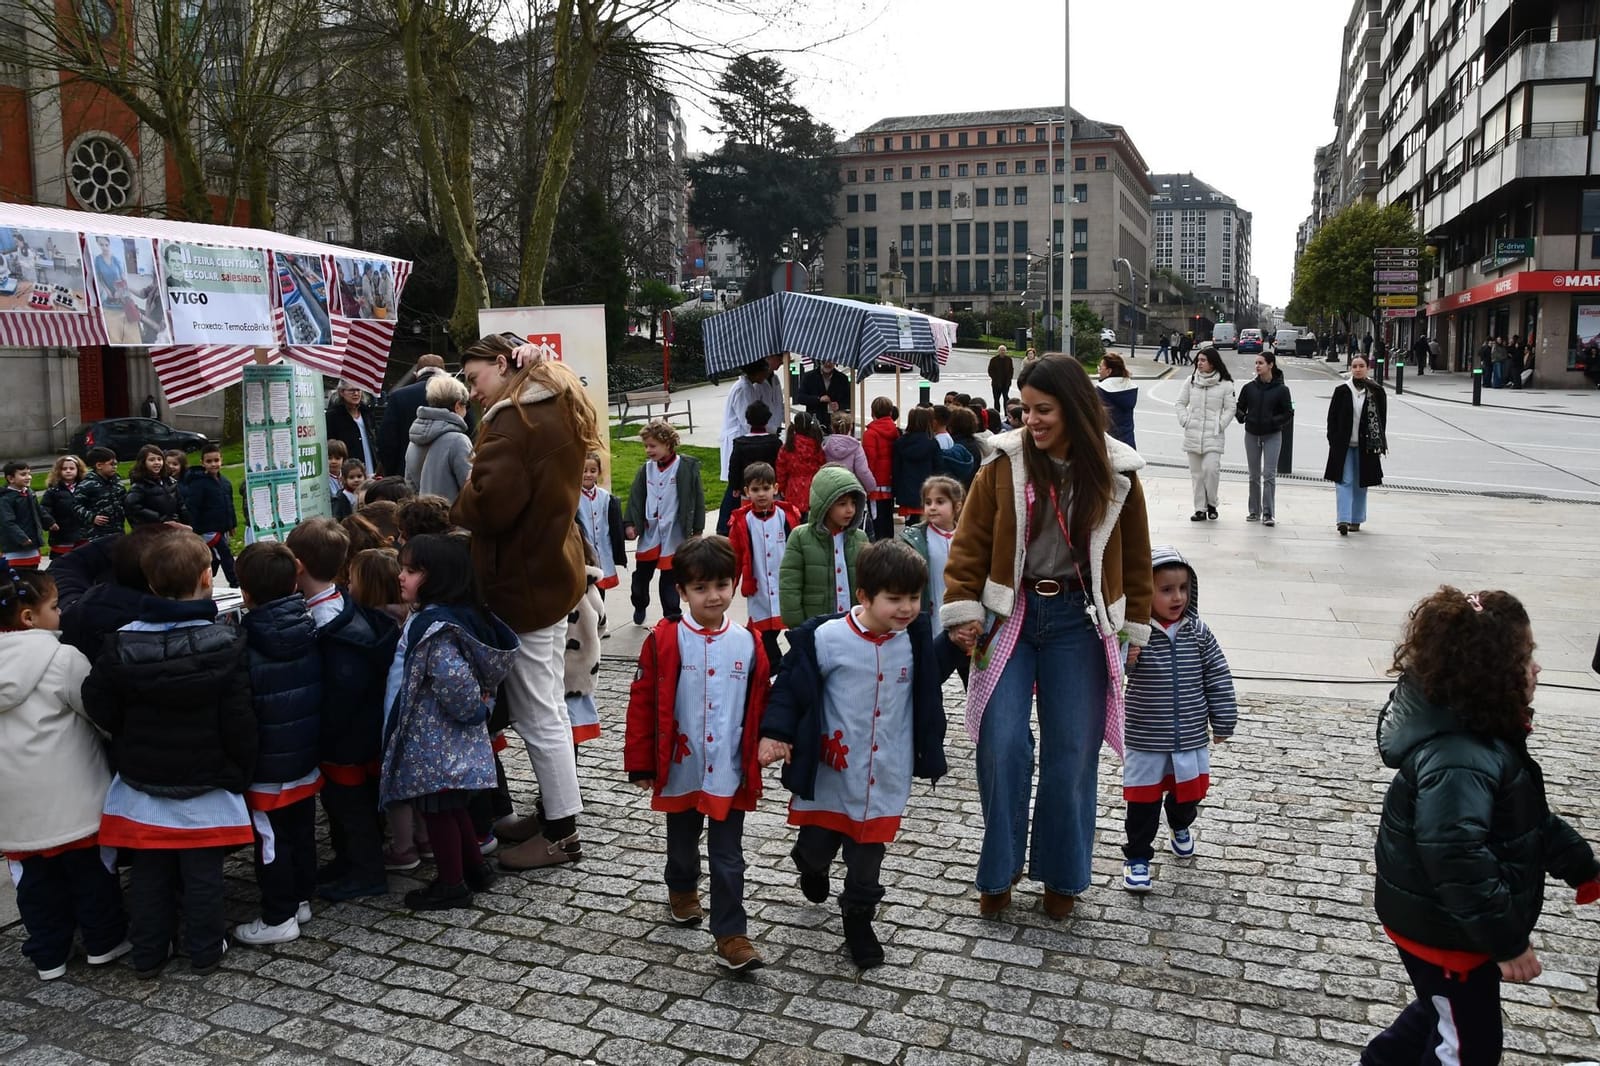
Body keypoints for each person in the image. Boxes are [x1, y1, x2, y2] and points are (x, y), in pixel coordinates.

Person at [941, 354, 1153, 920]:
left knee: (1072, 752)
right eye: (1024, 409)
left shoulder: (1118, 472)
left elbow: (1135, 560)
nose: (1029, 420)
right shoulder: (1002, 464)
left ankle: (1063, 874)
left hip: (1080, 624)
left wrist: (1133, 628)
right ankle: (999, 869)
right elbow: (968, 544)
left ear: (1075, 409)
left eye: (1043, 410)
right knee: (1002, 741)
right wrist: (963, 610)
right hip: (1010, 614)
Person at [1364, 587, 1600, 1066]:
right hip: (1448, 934)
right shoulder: (1459, 756)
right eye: (1525, 656)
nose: (1537, 668)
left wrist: (1582, 867)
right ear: (1488, 673)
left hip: (1449, 930)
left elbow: (1527, 820)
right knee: (1469, 1048)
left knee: (1441, 1011)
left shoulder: (1483, 734)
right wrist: (1507, 942)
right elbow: (1455, 855)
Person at [759, 539, 947, 969]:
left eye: (914, 598)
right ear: (863, 596)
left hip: (886, 771)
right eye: (894, 599)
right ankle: (810, 862)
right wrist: (775, 733)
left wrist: (954, 641)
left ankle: (858, 919)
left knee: (868, 855)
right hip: (833, 769)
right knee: (821, 843)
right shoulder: (826, 639)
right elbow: (790, 688)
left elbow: (932, 679)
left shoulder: (913, 642)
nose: (905, 609)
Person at [83, 530, 256, 977]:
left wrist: (125, 731)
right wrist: (241, 767)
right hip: (207, 777)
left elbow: (97, 702)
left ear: (150, 584)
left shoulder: (120, 643)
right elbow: (238, 717)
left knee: (148, 873)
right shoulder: (224, 642)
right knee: (203, 875)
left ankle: (148, 953)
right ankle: (204, 949)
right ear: (206, 577)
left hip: (142, 776)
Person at [451, 334, 595, 870]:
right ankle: (555, 814)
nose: (473, 390)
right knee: (548, 707)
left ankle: (560, 832)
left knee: (539, 713)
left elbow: (489, 506)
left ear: (502, 364)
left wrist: (464, 493)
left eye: (475, 377)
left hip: (525, 580)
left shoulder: (516, 422)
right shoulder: (555, 401)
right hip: (550, 570)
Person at [624, 535, 772, 971]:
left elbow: (760, 701)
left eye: (722, 585)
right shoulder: (664, 640)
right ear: (682, 592)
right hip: (681, 764)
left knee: (729, 857)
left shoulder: (749, 643)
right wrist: (641, 761)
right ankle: (682, 886)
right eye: (701, 588)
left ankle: (731, 935)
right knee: (683, 840)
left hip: (729, 768)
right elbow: (643, 700)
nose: (714, 596)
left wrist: (768, 743)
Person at [0, 566, 130, 982]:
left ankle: (48, 952)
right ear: (29, 618)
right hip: (72, 791)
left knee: (35, 883)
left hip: (14, 800)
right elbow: (92, 706)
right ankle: (103, 940)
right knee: (90, 873)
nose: (61, 614)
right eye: (54, 607)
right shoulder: (61, 657)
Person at [379, 534, 520, 910]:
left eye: (411, 571)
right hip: (448, 741)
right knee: (451, 807)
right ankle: (474, 868)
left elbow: (453, 680)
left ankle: (451, 882)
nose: (401, 577)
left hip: (435, 739)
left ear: (438, 577)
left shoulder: (435, 628)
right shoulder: (454, 616)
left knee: (438, 812)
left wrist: (473, 710)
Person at [285, 518, 395, 901]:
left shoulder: (329, 626)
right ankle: (349, 858)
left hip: (345, 738)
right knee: (342, 804)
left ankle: (367, 871)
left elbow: (343, 687)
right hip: (354, 731)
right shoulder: (339, 603)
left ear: (296, 566)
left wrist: (323, 731)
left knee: (352, 807)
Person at [1119, 546, 1236, 893]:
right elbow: (1110, 669)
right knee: (1142, 804)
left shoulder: (1198, 632)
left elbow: (1217, 675)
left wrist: (1223, 719)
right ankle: (1138, 857)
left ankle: (1180, 824)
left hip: (1189, 737)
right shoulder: (1135, 633)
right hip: (1146, 739)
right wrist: (1126, 654)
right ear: (1145, 592)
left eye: (1183, 588)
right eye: (1166, 589)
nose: (1177, 597)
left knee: (1187, 797)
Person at [231, 542, 324, 947]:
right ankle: (302, 896)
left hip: (266, 769)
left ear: (244, 592)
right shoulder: (311, 628)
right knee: (301, 832)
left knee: (271, 842)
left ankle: (279, 914)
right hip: (305, 754)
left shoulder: (244, 643)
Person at [624, 419, 705, 627]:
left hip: (674, 533)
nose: (648, 450)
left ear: (668, 444)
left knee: (670, 577)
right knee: (641, 577)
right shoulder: (646, 470)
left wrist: (697, 530)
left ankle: (672, 616)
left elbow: (697, 498)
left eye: (652, 446)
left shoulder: (685, 467)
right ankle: (639, 603)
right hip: (651, 532)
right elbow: (636, 497)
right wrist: (630, 523)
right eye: (646, 446)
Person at [728, 461, 800, 671]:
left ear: (775, 488)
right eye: (755, 489)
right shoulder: (742, 522)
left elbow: (797, 550)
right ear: (746, 492)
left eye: (766, 488)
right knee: (764, 637)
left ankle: (788, 667)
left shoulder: (787, 517)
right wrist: (729, 587)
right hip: (758, 590)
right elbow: (735, 557)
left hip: (786, 588)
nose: (761, 494)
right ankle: (776, 671)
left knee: (794, 632)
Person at [778, 465, 869, 628]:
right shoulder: (800, 537)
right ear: (825, 505)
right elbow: (790, 584)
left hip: (854, 624)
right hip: (816, 626)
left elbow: (870, 581)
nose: (850, 510)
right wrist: (799, 626)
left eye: (853, 503)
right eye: (842, 504)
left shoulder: (860, 538)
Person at [899, 474, 967, 687]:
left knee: (974, 680)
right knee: (930, 679)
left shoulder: (968, 536)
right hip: (933, 617)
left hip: (965, 620)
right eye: (928, 502)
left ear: (957, 507)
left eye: (940, 502)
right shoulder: (917, 538)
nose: (932, 508)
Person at [717, 359, 786, 535]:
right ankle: (724, 526)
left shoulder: (752, 386)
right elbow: (746, 418)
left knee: (744, 486)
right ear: (756, 372)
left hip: (751, 437)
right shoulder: (742, 389)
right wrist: (768, 431)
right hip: (741, 435)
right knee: (736, 487)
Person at [1325, 354, 1388, 536]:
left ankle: (1356, 519)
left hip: (1366, 445)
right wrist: (1333, 439)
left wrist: (1378, 440)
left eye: (1361, 366)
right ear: (1351, 369)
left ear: (1367, 368)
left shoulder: (1376, 392)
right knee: (1344, 481)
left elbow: (1382, 420)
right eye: (1354, 366)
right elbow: (1332, 418)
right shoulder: (1342, 390)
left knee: (1361, 483)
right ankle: (1343, 519)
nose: (1358, 369)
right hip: (1343, 445)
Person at [1234, 351, 1293, 526]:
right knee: (1253, 475)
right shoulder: (1249, 388)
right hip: (1252, 434)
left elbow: (1288, 412)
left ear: (1271, 365)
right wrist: (1242, 416)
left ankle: (1268, 513)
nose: (1257, 366)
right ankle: (1254, 511)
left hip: (1272, 435)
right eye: (1256, 363)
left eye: (1261, 363)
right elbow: (1239, 407)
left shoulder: (1282, 390)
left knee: (1269, 475)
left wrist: (1274, 422)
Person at [1177, 346, 1235, 522]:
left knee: (1211, 470)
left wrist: (1220, 424)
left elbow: (1231, 408)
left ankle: (1212, 503)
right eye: (1198, 360)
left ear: (1212, 362)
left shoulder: (1225, 384)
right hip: (1193, 433)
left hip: (1213, 434)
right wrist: (1185, 420)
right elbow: (1180, 403)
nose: (1199, 364)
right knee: (1197, 474)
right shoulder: (1190, 381)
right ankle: (1200, 509)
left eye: (1203, 360)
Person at [404, 374, 473, 503]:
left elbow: (410, 488)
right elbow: (470, 487)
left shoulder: (413, 442)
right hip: (453, 518)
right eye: (467, 405)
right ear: (458, 405)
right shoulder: (458, 440)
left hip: (424, 517)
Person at [377, 354, 448, 477]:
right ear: (444, 373)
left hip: (405, 472)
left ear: (416, 374)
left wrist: (392, 472)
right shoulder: (454, 395)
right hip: (445, 472)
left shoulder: (398, 397)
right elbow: (471, 432)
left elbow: (387, 442)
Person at [181, 443, 237, 587]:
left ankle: (202, 581)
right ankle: (235, 582)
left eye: (216, 460)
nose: (213, 464)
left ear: (221, 460)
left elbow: (229, 505)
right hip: (207, 529)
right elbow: (193, 507)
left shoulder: (225, 483)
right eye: (209, 461)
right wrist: (193, 529)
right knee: (225, 555)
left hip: (222, 527)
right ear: (202, 463)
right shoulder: (198, 484)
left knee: (215, 558)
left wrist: (232, 525)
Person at [722, 400, 782, 536]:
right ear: (767, 419)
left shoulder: (740, 443)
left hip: (748, 490)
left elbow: (734, 467)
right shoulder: (775, 442)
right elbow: (780, 466)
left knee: (747, 519)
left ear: (748, 420)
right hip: (770, 488)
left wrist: (735, 487)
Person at [575, 452, 625, 601]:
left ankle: (600, 619)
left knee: (600, 588)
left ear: (599, 472)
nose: (588, 475)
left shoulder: (605, 497)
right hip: (584, 550)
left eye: (592, 471)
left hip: (603, 549)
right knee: (584, 589)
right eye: (584, 471)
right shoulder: (574, 496)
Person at [892, 407, 941, 525]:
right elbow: (938, 468)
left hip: (906, 490)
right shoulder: (932, 443)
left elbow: (896, 469)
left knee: (910, 526)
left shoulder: (900, 442)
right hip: (928, 491)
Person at [124, 445, 190, 528]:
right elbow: (133, 508)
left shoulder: (169, 482)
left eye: (159, 459)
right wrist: (161, 519)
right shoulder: (139, 486)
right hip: (154, 531)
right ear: (143, 462)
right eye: (152, 460)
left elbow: (180, 505)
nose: (157, 462)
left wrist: (186, 522)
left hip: (173, 528)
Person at [776, 412, 826, 520]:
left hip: (793, 489)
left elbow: (781, 470)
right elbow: (823, 465)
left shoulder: (788, 446)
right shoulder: (816, 446)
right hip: (813, 488)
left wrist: (781, 487)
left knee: (793, 522)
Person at [862, 397, 900, 541]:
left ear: (872, 412)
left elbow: (869, 461)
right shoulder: (895, 431)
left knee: (877, 522)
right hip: (890, 482)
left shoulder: (870, 434)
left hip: (875, 484)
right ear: (891, 412)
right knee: (888, 519)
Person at [40, 455, 92, 558]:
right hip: (62, 535)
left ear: (78, 470)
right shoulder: (53, 491)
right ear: (58, 471)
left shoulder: (85, 488)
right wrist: (50, 522)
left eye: (72, 468)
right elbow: (44, 509)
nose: (68, 471)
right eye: (64, 469)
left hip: (83, 533)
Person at [325, 382, 377, 477]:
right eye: (352, 390)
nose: (356, 393)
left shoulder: (366, 413)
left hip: (370, 468)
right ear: (341, 392)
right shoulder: (333, 416)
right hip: (348, 472)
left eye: (358, 390)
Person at [1, 460, 45, 570]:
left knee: (33, 575)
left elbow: (39, 511)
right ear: (11, 479)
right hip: (15, 547)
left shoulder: (30, 493)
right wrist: (21, 537)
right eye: (23, 474)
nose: (28, 477)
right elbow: (8, 522)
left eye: (29, 473)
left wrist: (50, 522)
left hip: (32, 543)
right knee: (19, 577)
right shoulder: (5, 499)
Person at [76, 448, 125, 542]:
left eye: (116, 464)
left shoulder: (117, 483)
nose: (115, 467)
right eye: (111, 464)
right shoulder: (86, 485)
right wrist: (92, 517)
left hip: (118, 530)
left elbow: (124, 502)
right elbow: (76, 506)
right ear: (99, 465)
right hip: (96, 534)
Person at [821, 411, 873, 492]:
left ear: (832, 427)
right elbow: (862, 471)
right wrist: (871, 487)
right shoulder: (855, 447)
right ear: (851, 427)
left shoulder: (826, 446)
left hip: (830, 489)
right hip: (850, 487)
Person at [1095, 353, 1138, 449]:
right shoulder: (1130, 389)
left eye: (1101, 368)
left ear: (1109, 371)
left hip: (1109, 446)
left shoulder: (1101, 390)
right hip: (1128, 445)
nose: (1099, 370)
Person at [987, 345, 1014, 411]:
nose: (1002, 351)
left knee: (1006, 398)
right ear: (998, 351)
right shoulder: (993, 359)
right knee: (996, 399)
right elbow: (990, 370)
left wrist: (1009, 379)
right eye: (1001, 350)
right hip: (996, 383)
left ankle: (1006, 412)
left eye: (1004, 350)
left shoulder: (1009, 359)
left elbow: (1011, 370)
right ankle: (997, 412)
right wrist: (995, 378)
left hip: (1006, 383)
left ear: (1006, 351)